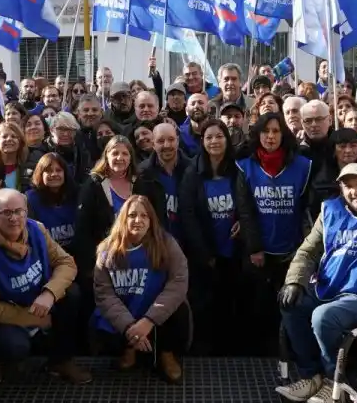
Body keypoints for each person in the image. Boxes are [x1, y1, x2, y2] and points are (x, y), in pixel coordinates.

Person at [276, 163, 357, 402]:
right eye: (348, 186)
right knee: (291, 303)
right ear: (340, 188)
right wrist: (295, 281)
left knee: (323, 316)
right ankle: (311, 375)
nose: (355, 191)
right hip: (333, 286)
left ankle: (332, 381)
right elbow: (308, 251)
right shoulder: (330, 210)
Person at [0, 189, 91, 384]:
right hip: (4, 318)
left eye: (19, 211)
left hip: (38, 300)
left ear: (27, 211)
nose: (14, 218)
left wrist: (50, 293)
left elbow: (66, 263)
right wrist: (34, 318)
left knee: (72, 294)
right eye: (6, 212)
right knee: (13, 345)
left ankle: (60, 361)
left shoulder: (38, 230)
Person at [92, 194, 190, 382]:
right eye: (132, 215)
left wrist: (149, 320)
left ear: (151, 220)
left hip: (155, 314)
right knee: (103, 323)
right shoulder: (107, 250)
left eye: (144, 216)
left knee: (179, 310)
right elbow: (104, 294)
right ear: (123, 218)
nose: (138, 220)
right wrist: (129, 326)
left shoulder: (166, 243)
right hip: (125, 314)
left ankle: (166, 355)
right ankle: (129, 350)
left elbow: (178, 282)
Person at [237, 112, 311, 355]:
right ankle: (259, 353)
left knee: (289, 306)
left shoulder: (302, 165)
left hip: (292, 251)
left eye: (276, 131)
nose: (270, 136)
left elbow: (306, 210)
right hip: (260, 251)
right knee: (259, 307)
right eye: (265, 131)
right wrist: (254, 247)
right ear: (258, 134)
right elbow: (245, 211)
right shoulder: (245, 166)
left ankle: (288, 352)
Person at [178, 119, 254, 353]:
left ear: (227, 140)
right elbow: (188, 215)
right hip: (207, 254)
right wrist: (204, 253)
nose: (214, 141)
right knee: (206, 305)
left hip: (235, 252)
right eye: (209, 137)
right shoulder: (192, 173)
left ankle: (233, 351)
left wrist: (244, 222)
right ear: (202, 141)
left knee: (234, 304)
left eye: (219, 136)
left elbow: (249, 204)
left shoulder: (238, 170)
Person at [74, 136, 156, 285]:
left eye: (125, 153)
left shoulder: (139, 183)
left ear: (131, 158)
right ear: (106, 156)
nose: (120, 158)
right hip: (104, 259)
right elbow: (82, 229)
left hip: (137, 257)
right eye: (115, 153)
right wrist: (90, 267)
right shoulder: (93, 185)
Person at [307, 128, 357, 221]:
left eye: (353, 146)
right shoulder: (322, 180)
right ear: (333, 149)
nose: (348, 150)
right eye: (342, 146)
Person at [26, 153, 79, 253]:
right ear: (40, 174)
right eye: (49, 171)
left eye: (58, 170)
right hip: (48, 257)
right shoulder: (30, 199)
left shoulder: (77, 195)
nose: (54, 174)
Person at [0, 123, 29, 191]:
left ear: (20, 142)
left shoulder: (28, 170)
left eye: (13, 136)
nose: (9, 139)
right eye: (4, 136)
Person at [179, 92, 210, 157]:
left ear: (209, 108)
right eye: (193, 104)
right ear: (186, 111)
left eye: (200, 103)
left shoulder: (217, 132)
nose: (196, 106)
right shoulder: (180, 134)